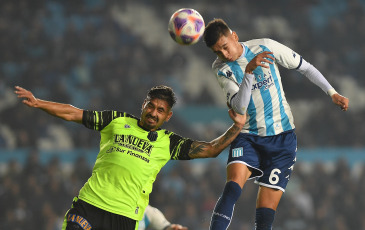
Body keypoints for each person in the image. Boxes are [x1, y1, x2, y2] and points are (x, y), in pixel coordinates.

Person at [14, 85, 246, 230]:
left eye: (160, 110)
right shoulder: (117, 120)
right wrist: (38, 103)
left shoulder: (169, 142)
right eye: (151, 106)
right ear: (143, 104)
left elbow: (211, 149)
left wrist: (237, 127)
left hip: (125, 218)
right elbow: (74, 113)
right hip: (90, 205)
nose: (153, 113)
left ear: (168, 116)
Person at [202, 18, 349, 230]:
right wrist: (249, 72)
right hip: (248, 136)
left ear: (234, 36)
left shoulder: (266, 46)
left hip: (282, 139)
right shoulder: (221, 68)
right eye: (218, 51)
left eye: (225, 47)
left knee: (264, 216)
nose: (224, 55)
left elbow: (305, 67)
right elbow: (240, 107)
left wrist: (332, 92)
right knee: (232, 188)